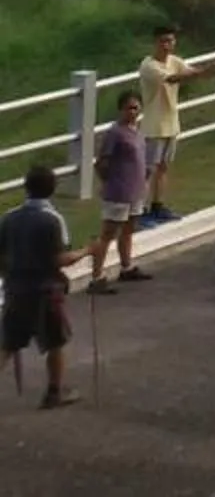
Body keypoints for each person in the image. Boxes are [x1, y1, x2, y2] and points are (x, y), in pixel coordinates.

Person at [2, 163, 85, 409]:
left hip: (16, 289)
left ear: (26, 188)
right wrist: (88, 251)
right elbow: (60, 259)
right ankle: (54, 392)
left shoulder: (8, 218)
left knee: (7, 343)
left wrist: (10, 275)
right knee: (55, 342)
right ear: (52, 189)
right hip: (46, 291)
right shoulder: (53, 220)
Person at [136, 27, 215, 227]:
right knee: (147, 171)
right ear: (155, 42)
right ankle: (138, 212)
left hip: (171, 124)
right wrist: (202, 72)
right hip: (153, 126)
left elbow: (190, 72)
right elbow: (172, 79)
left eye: (170, 41)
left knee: (163, 168)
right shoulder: (149, 66)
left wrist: (206, 72)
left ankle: (157, 206)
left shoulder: (175, 61)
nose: (167, 45)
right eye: (163, 41)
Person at [84, 94, 152, 295]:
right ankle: (96, 277)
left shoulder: (137, 132)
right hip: (118, 192)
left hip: (135, 191)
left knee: (129, 230)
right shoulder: (115, 133)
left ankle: (126, 267)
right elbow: (101, 163)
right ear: (121, 109)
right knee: (107, 234)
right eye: (129, 108)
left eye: (136, 108)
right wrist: (110, 183)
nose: (134, 112)